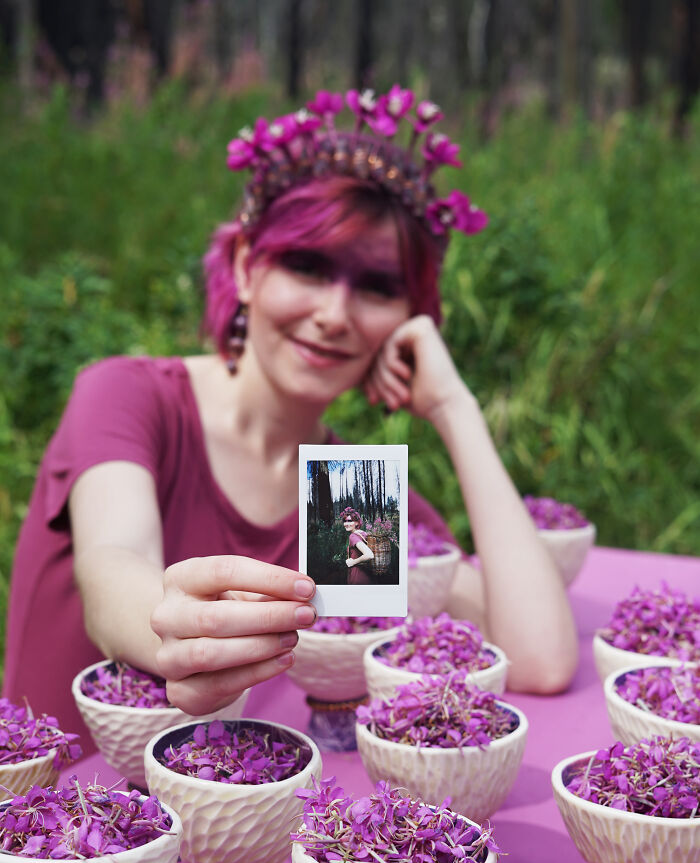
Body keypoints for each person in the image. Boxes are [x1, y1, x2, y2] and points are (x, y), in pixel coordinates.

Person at [3, 86, 578, 738]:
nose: (334, 314)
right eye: (308, 266)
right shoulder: (133, 397)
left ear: (409, 319)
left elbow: (538, 657)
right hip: (57, 816)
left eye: (377, 286)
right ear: (247, 267)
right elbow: (113, 571)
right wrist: (175, 633)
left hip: (235, 832)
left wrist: (453, 407)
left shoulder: (348, 496)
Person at [339, 507, 374, 584]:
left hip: (357, 577)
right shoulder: (363, 533)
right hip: (367, 576)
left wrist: (353, 562)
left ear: (357, 523)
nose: (346, 524)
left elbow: (369, 555)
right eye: (345, 521)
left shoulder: (353, 536)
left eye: (350, 521)